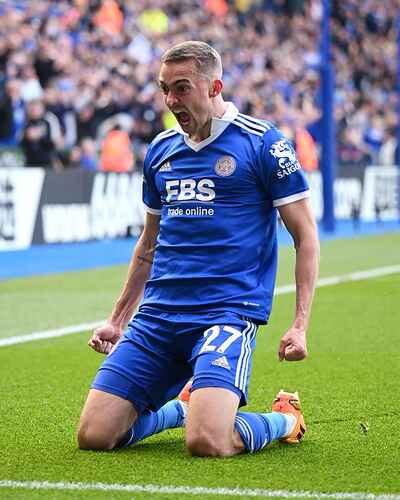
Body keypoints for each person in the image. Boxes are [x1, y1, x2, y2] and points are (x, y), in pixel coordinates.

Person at [77, 41, 320, 457]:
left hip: (225, 314)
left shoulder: (263, 143)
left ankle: (286, 419)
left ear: (214, 87)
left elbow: (305, 236)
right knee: (95, 436)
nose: (171, 100)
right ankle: (181, 409)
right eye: (164, 89)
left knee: (208, 441)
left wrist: (299, 324)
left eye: (182, 88)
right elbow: (148, 245)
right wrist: (117, 320)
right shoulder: (160, 150)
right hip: (158, 316)